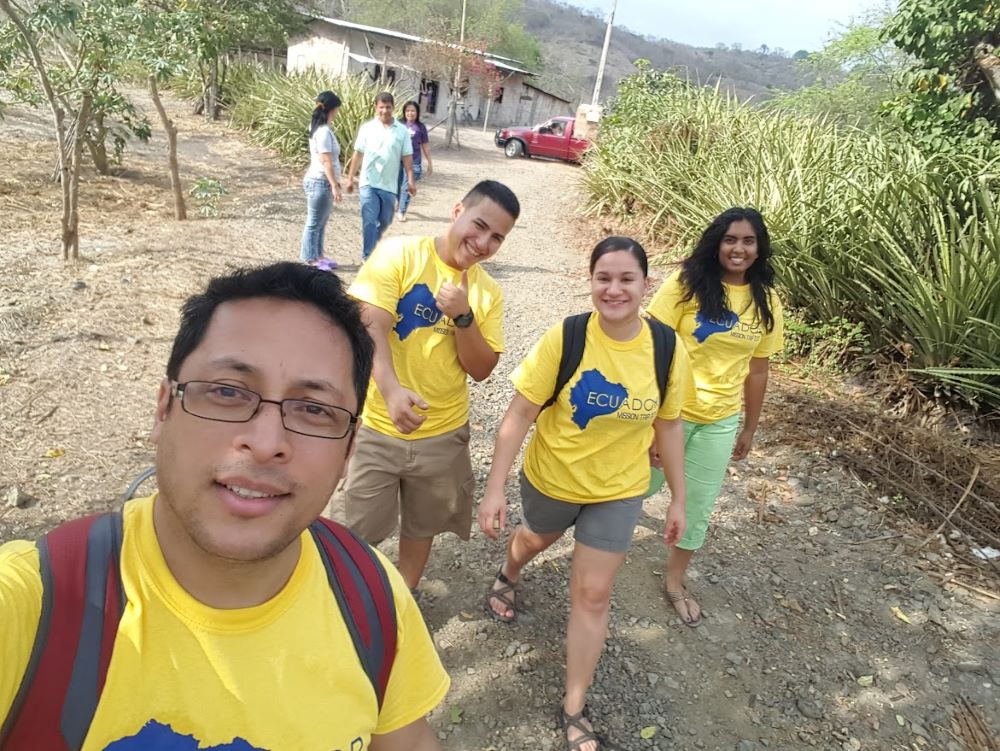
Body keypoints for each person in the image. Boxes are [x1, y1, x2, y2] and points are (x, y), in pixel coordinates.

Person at [0, 263, 449, 749]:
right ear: (162, 409)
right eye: (228, 392)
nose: (265, 442)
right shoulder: (32, 606)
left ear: (348, 450)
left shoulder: (373, 596)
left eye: (315, 409)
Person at [477, 237, 692, 751]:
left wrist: (679, 498)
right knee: (534, 539)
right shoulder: (566, 337)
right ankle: (508, 571)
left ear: (645, 284)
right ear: (591, 281)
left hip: (618, 490)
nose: (614, 289)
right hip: (553, 477)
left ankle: (574, 706)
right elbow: (519, 416)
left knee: (593, 595)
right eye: (604, 278)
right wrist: (493, 488)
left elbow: (669, 425)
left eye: (626, 279)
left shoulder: (665, 348)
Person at [331, 180, 520, 595]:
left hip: (443, 433)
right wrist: (392, 390)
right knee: (357, 527)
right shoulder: (399, 254)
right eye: (479, 225)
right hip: (378, 425)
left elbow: (482, 368)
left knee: (422, 525)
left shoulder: (487, 293)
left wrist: (463, 316)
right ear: (457, 211)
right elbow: (369, 325)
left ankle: (403, 597)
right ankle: (346, 600)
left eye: (496, 238)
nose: (483, 242)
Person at [646, 207, 784, 626]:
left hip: (719, 420)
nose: (738, 248)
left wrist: (749, 427)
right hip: (668, 415)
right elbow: (651, 349)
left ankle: (674, 581)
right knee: (631, 487)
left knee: (699, 506)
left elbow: (759, 368)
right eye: (730, 239)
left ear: (759, 249)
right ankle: (598, 552)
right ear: (716, 243)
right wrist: (652, 420)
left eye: (747, 241)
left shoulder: (767, 300)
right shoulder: (686, 285)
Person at [345, 92, 416, 261]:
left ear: (393, 107)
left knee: (384, 221)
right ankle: (368, 256)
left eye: (388, 107)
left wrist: (411, 180)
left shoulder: (402, 131)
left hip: (389, 185)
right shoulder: (367, 128)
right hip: (368, 182)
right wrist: (350, 178)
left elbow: (407, 158)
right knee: (369, 220)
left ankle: (373, 244)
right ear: (375, 108)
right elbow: (358, 154)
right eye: (381, 107)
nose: (385, 111)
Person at [300, 90, 344, 270]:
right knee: (314, 222)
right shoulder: (323, 131)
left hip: (322, 181)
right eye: (337, 109)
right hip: (320, 181)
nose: (338, 113)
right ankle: (310, 259)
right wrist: (334, 184)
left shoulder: (318, 127)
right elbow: (326, 160)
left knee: (321, 221)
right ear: (331, 109)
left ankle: (318, 255)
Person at [395, 100, 432, 223]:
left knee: (407, 186)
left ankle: (401, 211)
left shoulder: (421, 127)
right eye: (408, 110)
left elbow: (425, 145)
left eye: (413, 111)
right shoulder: (398, 124)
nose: (410, 113)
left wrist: (430, 163)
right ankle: (398, 203)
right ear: (404, 112)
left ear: (417, 112)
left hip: (413, 160)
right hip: (397, 160)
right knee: (396, 184)